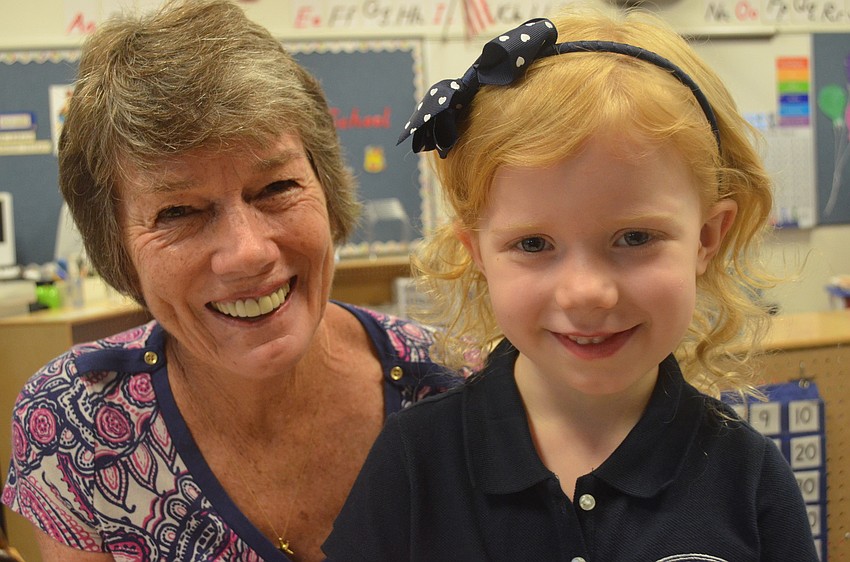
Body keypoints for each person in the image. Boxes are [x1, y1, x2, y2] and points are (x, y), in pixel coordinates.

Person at [323, 6, 818, 561]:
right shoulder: (414, 465)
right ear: (478, 253)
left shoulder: (747, 478)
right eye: (534, 244)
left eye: (634, 237)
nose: (586, 293)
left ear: (706, 238)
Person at [1, 1, 460, 560]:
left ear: (328, 190)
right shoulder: (75, 423)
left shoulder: (453, 383)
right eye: (178, 212)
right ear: (116, 246)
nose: (247, 253)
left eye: (276, 188)